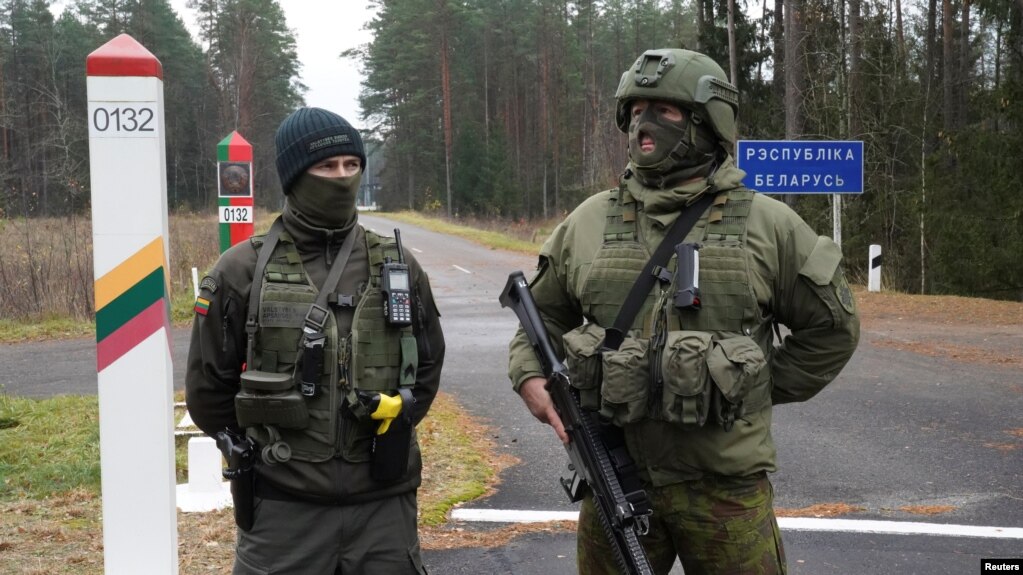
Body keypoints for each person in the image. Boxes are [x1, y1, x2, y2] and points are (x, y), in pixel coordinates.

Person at [508, 48, 859, 574]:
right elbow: (541, 316)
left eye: (664, 111)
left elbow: (831, 328)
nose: (643, 126)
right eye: (637, 110)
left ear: (706, 123)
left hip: (725, 489)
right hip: (614, 472)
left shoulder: (769, 226)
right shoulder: (586, 223)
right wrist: (529, 376)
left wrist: (746, 387)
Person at [186, 106, 445, 574]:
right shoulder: (241, 271)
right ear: (294, 175)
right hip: (283, 513)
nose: (341, 177)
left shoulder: (398, 265)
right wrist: (271, 451)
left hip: (384, 511)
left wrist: (389, 426)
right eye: (326, 166)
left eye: (352, 165)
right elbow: (209, 391)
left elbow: (426, 367)